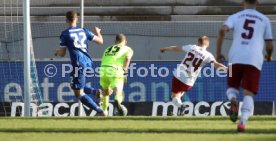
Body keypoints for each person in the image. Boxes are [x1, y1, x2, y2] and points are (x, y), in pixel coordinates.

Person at [216, 0, 274, 132]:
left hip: (235, 57)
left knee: (232, 87)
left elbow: (221, 30)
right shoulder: (264, 19)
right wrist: (269, 55)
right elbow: (270, 45)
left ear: (243, 2)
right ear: (257, 2)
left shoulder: (236, 16)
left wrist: (218, 53)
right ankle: (242, 122)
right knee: (248, 93)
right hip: (254, 59)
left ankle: (233, 99)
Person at [160, 36, 227, 116]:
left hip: (179, 75)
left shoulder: (192, 47)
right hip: (189, 82)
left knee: (174, 96)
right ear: (207, 44)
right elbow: (216, 65)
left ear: (198, 42)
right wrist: (227, 69)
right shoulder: (208, 55)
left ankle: (180, 105)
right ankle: (179, 108)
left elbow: (176, 48)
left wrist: (164, 48)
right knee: (179, 92)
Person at [55, 11, 105, 116]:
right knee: (74, 84)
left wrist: (57, 52)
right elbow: (100, 41)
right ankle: (95, 92)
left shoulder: (65, 34)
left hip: (78, 64)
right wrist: (98, 32)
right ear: (77, 19)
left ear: (66, 20)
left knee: (79, 93)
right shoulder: (84, 31)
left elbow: (62, 53)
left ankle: (100, 111)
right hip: (88, 61)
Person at [99, 34, 133, 116]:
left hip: (103, 69)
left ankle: (104, 111)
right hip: (115, 69)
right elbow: (127, 59)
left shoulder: (108, 48)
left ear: (115, 41)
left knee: (106, 91)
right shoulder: (127, 49)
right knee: (118, 90)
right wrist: (124, 71)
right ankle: (117, 100)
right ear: (125, 42)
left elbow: (103, 59)